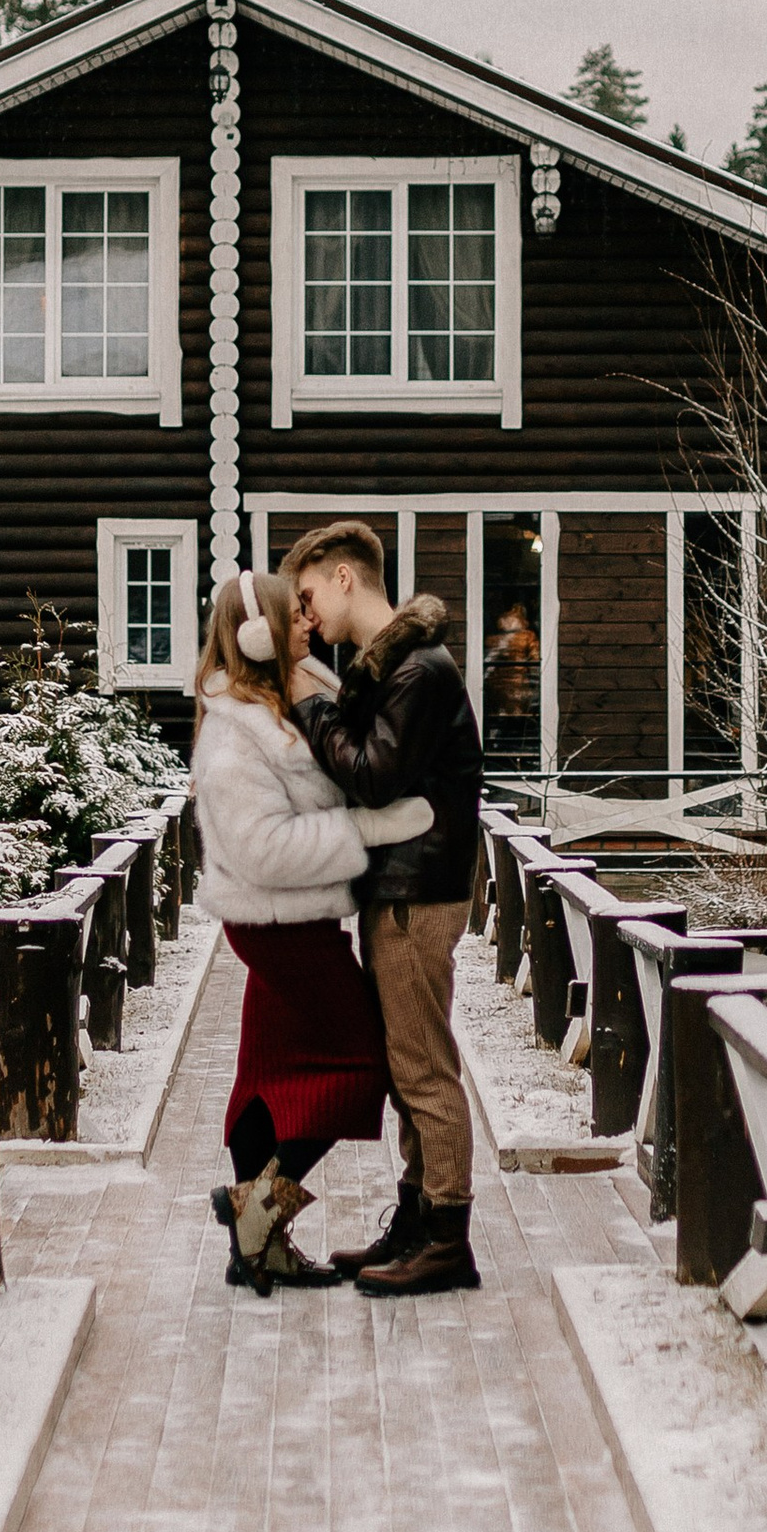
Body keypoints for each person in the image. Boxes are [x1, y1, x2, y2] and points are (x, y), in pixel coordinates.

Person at [189, 564, 433, 1292]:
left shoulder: (289, 697)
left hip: (298, 923)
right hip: (279, 925)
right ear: (258, 633)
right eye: (290, 612)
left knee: (267, 1073)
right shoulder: (235, 739)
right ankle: (255, 1214)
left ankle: (256, 1247)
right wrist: (366, 827)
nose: (306, 619)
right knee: (362, 1063)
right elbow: (265, 850)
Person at [278, 519, 486, 1297]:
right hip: (399, 887)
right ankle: (414, 1218)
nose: (304, 619)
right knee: (409, 1066)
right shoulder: (389, 668)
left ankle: (446, 1237)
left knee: (424, 1069)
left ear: (342, 578)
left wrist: (306, 699)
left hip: (416, 892)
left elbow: (372, 776)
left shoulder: (418, 671)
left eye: (306, 597)